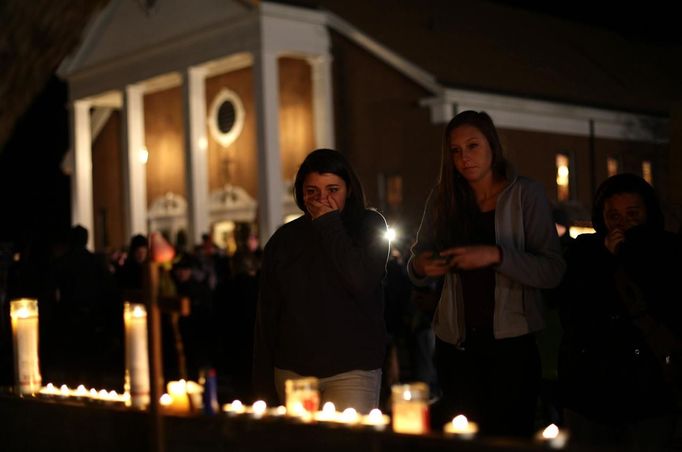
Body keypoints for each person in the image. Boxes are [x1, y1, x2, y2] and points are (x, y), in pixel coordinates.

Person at [407, 110, 565, 437]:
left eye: (473, 146)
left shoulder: (525, 195)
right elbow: (416, 261)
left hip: (512, 346)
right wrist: (422, 266)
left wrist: (495, 255)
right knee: (462, 435)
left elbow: (552, 270)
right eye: (455, 150)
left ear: (492, 146)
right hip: (456, 344)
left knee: (508, 435)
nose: (464, 158)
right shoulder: (443, 198)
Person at [253, 148, 389, 414]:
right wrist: (262, 384)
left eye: (332, 190)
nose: (322, 199)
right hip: (293, 369)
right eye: (312, 191)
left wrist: (328, 223)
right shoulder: (284, 240)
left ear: (348, 190)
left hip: (353, 369)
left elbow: (359, 279)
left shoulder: (369, 226)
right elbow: (267, 314)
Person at [558, 173, 682, 450]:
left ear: (648, 214)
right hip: (591, 390)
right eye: (613, 216)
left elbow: (667, 302)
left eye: (632, 214)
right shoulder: (585, 252)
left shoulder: (669, 251)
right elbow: (571, 305)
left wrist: (629, 255)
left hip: (650, 390)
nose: (622, 224)